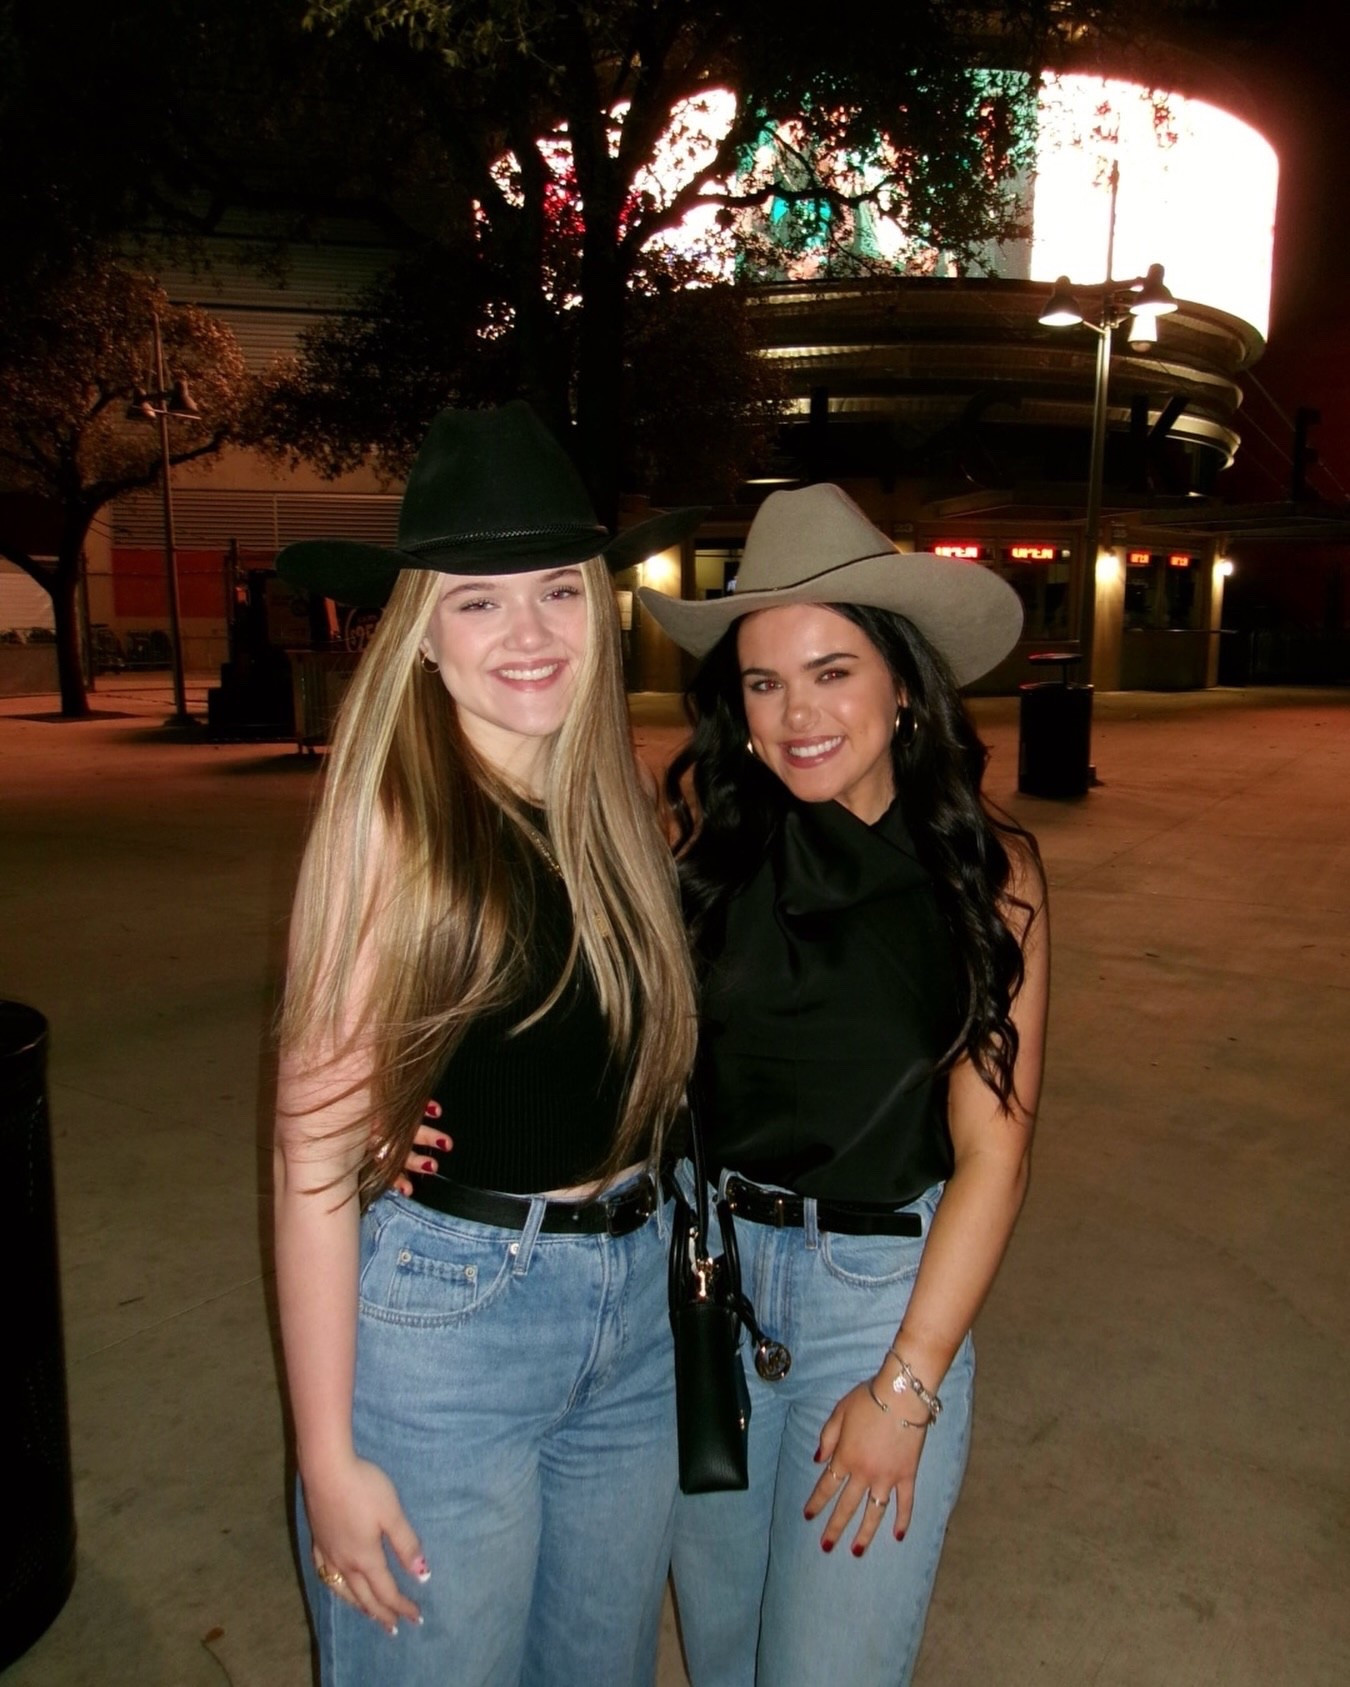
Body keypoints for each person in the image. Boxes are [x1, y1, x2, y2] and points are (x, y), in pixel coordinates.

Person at [272, 402, 700, 1687]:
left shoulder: (613, 797)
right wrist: (326, 1453)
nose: (529, 634)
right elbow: (307, 1165)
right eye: (477, 601)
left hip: (631, 1321)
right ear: (416, 637)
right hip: (449, 1321)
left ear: (600, 606)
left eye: (558, 591)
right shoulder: (392, 824)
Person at [637, 483, 1050, 1687]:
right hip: (711, 1297)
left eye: (832, 671)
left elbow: (995, 1155)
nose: (795, 713)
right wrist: (420, 1125)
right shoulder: (706, 859)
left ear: (904, 685)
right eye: (763, 682)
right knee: (724, 1658)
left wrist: (906, 1384)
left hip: (882, 1301)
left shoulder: (990, 871)